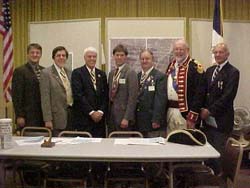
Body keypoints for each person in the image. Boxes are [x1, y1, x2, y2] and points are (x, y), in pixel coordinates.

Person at [200, 43, 240, 174]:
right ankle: (209, 179)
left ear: (227, 54)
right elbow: (204, 93)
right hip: (207, 122)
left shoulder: (233, 72)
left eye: (220, 52)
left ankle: (220, 181)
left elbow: (228, 97)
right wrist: (201, 109)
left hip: (221, 121)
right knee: (208, 155)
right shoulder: (210, 70)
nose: (217, 55)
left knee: (218, 155)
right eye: (215, 52)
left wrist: (210, 111)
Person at [165, 39, 205, 133]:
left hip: (185, 114)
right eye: (176, 49)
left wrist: (193, 116)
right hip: (170, 112)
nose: (178, 52)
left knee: (185, 141)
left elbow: (200, 93)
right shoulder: (171, 66)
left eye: (181, 49)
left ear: (187, 50)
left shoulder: (194, 67)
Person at [71, 47, 108, 138]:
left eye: (94, 56)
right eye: (89, 56)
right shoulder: (77, 73)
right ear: (84, 58)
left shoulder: (102, 74)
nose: (92, 59)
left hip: (100, 120)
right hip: (84, 119)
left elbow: (105, 95)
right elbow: (78, 95)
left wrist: (100, 111)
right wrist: (91, 112)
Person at [40, 46, 73, 136]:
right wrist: (47, 119)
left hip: (70, 116)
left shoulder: (69, 72)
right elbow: (45, 98)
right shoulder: (46, 73)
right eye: (58, 55)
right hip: (56, 119)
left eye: (63, 55)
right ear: (53, 58)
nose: (61, 58)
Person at [12, 43, 44, 131]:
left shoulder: (44, 71)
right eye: (32, 52)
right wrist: (19, 115)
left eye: (37, 53)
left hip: (42, 116)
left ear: (41, 55)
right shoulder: (20, 71)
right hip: (27, 117)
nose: (35, 55)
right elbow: (16, 95)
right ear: (27, 54)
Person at [136, 49, 167, 138]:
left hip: (152, 123)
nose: (144, 61)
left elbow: (160, 100)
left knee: (153, 150)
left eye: (147, 59)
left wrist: (156, 119)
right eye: (142, 59)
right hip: (138, 122)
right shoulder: (137, 76)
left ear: (152, 60)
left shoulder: (160, 77)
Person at [108, 44, 138, 133]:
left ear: (126, 57)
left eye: (122, 55)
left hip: (124, 118)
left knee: (123, 144)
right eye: (117, 55)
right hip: (111, 117)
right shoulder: (111, 73)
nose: (119, 57)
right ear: (113, 56)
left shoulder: (131, 73)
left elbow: (132, 98)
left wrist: (127, 118)